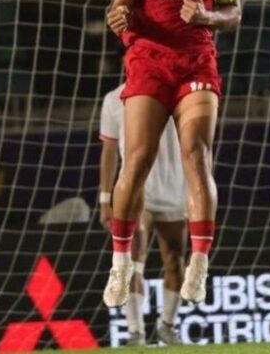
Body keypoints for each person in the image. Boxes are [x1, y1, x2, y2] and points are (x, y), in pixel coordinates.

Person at [103, 0, 242, 308]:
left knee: (197, 157)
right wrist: (119, 17)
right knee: (138, 158)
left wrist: (207, 18)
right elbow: (121, 7)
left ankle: (199, 265)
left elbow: (234, 12)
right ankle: (121, 265)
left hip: (197, 60)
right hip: (148, 60)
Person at [100, 83, 186, 346]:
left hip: (175, 190)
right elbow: (110, 150)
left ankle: (167, 326)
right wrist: (105, 199)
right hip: (139, 191)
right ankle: (135, 333)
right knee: (132, 262)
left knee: (176, 263)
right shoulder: (114, 99)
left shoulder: (179, 91)